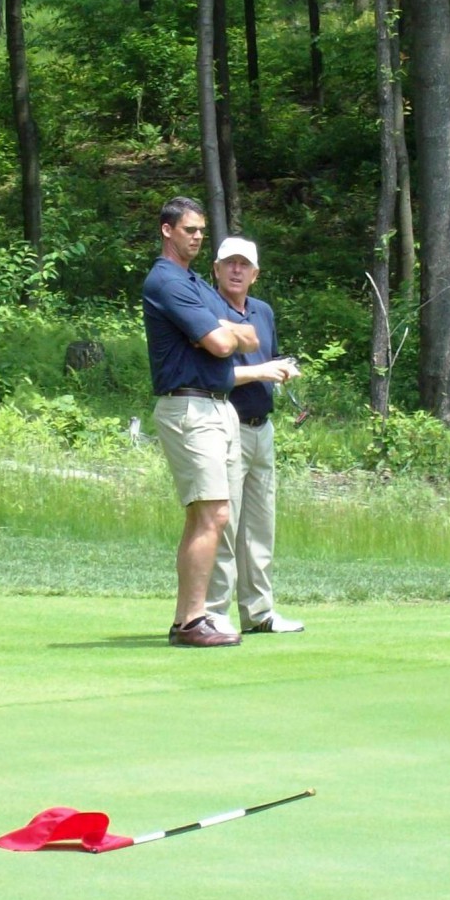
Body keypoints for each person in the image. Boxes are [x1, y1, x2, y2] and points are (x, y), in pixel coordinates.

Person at [142, 198, 260, 648]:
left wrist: (228, 331)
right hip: (189, 407)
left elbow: (250, 333)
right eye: (188, 229)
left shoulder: (195, 283)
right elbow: (220, 342)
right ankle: (193, 621)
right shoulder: (166, 281)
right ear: (167, 230)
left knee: (209, 515)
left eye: (200, 231)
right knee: (211, 513)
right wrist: (224, 332)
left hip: (217, 406)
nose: (195, 236)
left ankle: (188, 618)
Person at [205, 236, 305, 635]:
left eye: (244, 264)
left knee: (260, 528)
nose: (236, 270)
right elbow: (210, 376)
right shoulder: (207, 310)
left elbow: (269, 360)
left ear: (255, 273)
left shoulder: (262, 312)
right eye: (229, 262)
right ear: (216, 268)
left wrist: (280, 369)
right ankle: (213, 613)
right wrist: (263, 372)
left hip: (262, 428)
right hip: (225, 424)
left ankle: (259, 612)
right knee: (223, 525)